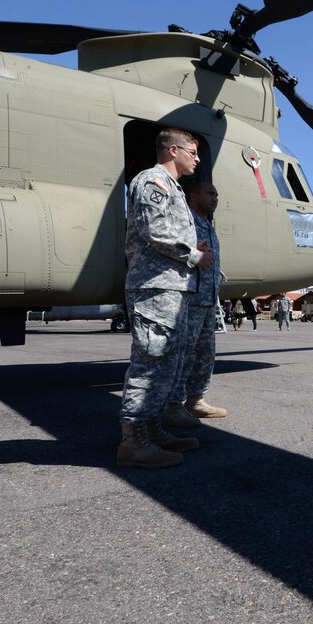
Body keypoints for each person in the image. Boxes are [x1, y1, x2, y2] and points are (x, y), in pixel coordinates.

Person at [117, 128, 214, 468]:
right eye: (192, 152)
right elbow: (153, 230)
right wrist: (193, 255)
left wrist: (193, 248)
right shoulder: (152, 182)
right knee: (152, 360)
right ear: (173, 150)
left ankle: (153, 428)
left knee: (168, 363)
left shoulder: (172, 187)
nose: (197, 159)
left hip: (171, 286)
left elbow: (166, 232)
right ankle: (134, 440)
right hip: (155, 286)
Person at [165, 179, 228, 424]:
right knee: (185, 354)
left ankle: (196, 400)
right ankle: (173, 405)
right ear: (193, 195)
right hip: (189, 300)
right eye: (210, 193)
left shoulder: (208, 225)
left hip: (208, 300)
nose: (215, 198)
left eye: (217, 194)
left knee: (205, 354)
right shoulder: (185, 221)